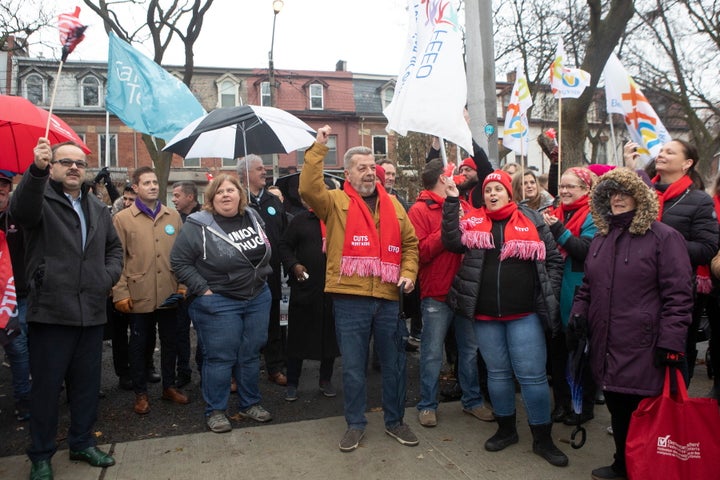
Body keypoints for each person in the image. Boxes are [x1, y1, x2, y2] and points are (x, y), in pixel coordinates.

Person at [299, 125, 419, 452]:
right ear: (348, 174)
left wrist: (408, 272)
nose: (369, 173)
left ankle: (395, 421)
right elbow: (309, 189)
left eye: (372, 168)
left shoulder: (394, 205)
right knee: (353, 369)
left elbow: (410, 244)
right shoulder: (334, 201)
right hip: (349, 299)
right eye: (361, 168)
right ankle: (355, 423)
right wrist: (318, 149)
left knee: (394, 366)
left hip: (389, 299)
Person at [569, 167, 694, 480]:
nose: (618, 199)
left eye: (625, 192)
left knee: (645, 416)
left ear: (641, 197)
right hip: (607, 344)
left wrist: (671, 343)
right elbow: (588, 284)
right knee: (618, 408)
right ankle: (623, 464)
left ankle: (647, 468)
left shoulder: (664, 238)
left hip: (645, 348)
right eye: (612, 192)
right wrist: (579, 313)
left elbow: (679, 296)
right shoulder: (601, 238)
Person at [441, 169, 568, 467]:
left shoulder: (533, 220)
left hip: (525, 315)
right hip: (486, 316)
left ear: (509, 193)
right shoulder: (471, 223)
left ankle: (542, 438)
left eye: (498, 189)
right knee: (497, 375)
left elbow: (553, 262)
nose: (493, 194)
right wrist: (450, 202)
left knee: (533, 377)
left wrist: (547, 291)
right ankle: (506, 429)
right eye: (488, 191)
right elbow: (450, 242)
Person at [13, 138, 123, 480]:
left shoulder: (97, 208)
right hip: (51, 311)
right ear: (53, 167)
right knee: (46, 388)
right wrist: (36, 170)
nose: (74, 167)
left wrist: (105, 277)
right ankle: (41, 455)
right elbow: (21, 212)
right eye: (65, 162)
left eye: (79, 163)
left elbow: (114, 250)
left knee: (87, 385)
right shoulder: (38, 198)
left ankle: (82, 442)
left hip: (90, 310)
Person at [171, 174, 273, 433]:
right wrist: (203, 290)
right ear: (211, 198)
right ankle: (215, 410)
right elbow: (179, 261)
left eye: (231, 190)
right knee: (220, 358)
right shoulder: (198, 225)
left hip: (257, 297)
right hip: (219, 301)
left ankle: (250, 404)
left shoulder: (252, 216)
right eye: (219, 192)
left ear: (240, 194)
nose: (226, 195)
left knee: (249, 355)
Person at [409, 159, 493, 428]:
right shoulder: (419, 210)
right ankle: (427, 405)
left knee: (469, 350)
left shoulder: (465, 205)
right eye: (453, 174)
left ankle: (472, 401)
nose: (458, 178)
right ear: (443, 179)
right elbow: (419, 251)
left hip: (467, 290)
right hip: (437, 292)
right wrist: (448, 228)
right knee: (432, 353)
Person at [626, 140, 718, 380]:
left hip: (676, 291)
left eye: (670, 151)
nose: (662, 154)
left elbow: (707, 248)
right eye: (662, 150)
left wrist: (662, 246)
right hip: (637, 285)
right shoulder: (640, 194)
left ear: (687, 163)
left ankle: (674, 408)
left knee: (676, 352)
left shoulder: (699, 201)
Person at [112, 166, 189, 415]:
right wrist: (120, 291)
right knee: (139, 345)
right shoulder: (123, 219)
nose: (153, 186)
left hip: (169, 291)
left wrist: (183, 284)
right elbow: (117, 258)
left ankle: (169, 386)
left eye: (155, 182)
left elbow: (182, 255)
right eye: (147, 183)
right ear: (135, 187)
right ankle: (140, 393)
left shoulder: (173, 217)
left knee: (170, 341)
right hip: (138, 292)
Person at [542, 167, 598, 426]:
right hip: (555, 291)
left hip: (579, 293)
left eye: (571, 186)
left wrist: (559, 231)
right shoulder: (554, 213)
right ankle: (562, 404)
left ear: (586, 189)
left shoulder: (594, 215)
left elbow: (585, 250)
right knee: (557, 353)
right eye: (562, 186)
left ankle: (581, 408)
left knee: (579, 356)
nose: (563, 191)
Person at [279, 193, 340, 402]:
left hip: (333, 289)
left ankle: (325, 379)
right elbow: (284, 246)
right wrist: (293, 265)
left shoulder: (337, 219)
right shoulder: (300, 221)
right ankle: (293, 381)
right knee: (298, 337)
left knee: (329, 338)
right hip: (306, 288)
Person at [237, 154, 288, 386]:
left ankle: (274, 367)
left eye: (264, 168)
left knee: (273, 323)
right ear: (245, 174)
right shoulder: (238, 201)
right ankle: (239, 371)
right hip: (245, 277)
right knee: (244, 326)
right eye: (259, 168)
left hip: (272, 274)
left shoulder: (272, 201)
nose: (264, 171)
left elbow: (284, 234)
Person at [0, 171, 31, 421]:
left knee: (18, 350)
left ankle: (24, 401)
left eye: (4, 184)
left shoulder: (18, 217)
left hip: (17, 298)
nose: (1, 188)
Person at [171, 181, 201, 388]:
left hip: (202, 286)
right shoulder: (173, 219)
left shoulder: (206, 218)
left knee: (206, 332)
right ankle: (183, 371)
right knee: (179, 331)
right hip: (179, 287)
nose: (173, 199)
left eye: (177, 195)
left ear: (190, 197)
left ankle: (205, 371)